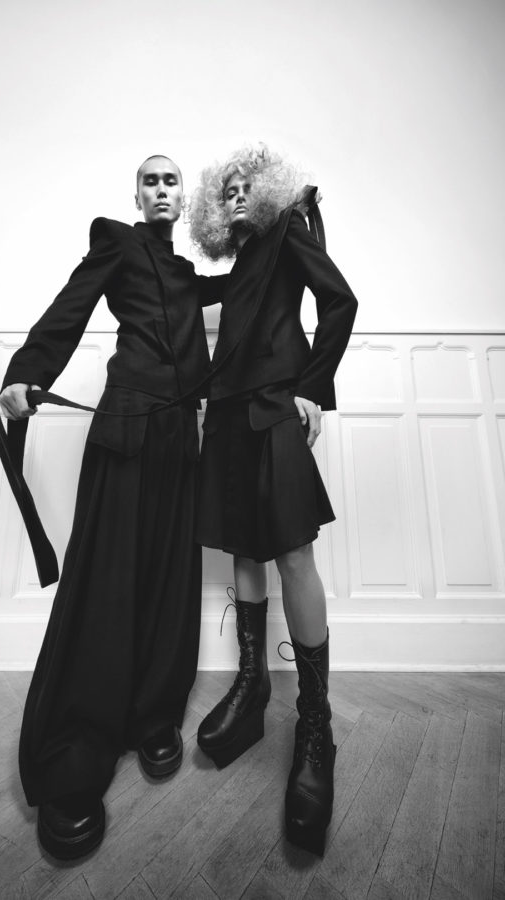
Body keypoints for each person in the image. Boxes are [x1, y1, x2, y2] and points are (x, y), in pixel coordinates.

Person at [0, 155, 225, 860]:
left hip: (180, 437)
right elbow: (72, 305)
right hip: (126, 423)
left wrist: (291, 227)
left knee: (168, 579)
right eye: (150, 180)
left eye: (171, 181)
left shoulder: (190, 279)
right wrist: (28, 372)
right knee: (104, 583)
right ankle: (75, 753)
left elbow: (257, 280)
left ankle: (153, 716)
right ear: (137, 194)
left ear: (184, 198)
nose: (161, 189)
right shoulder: (116, 241)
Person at [189, 146, 358, 856]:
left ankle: (315, 724)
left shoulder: (289, 226)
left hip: (274, 408)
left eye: (244, 186)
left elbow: (340, 301)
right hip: (227, 417)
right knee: (243, 550)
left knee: (293, 554)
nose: (235, 196)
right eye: (224, 190)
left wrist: (312, 388)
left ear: (264, 191)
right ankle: (253, 686)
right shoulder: (236, 267)